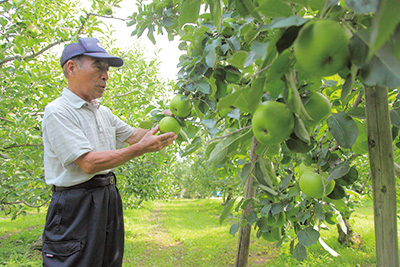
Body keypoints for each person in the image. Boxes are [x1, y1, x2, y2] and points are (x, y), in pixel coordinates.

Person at [41, 37, 177, 266]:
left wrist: (167, 122)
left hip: (106, 197)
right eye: (98, 67)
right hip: (76, 203)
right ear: (71, 68)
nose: (106, 76)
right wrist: (138, 150)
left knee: (108, 261)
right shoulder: (58, 111)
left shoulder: (101, 112)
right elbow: (88, 163)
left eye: (107, 70)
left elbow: (136, 136)